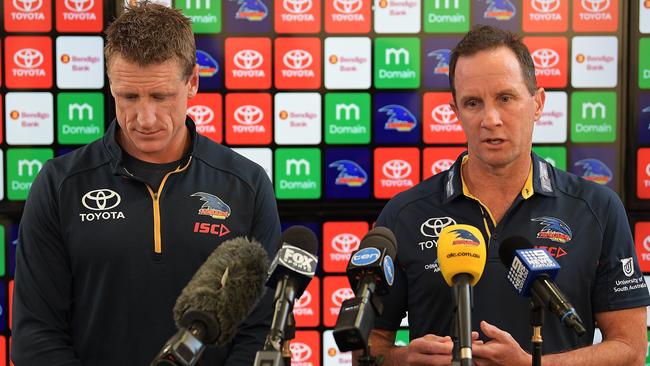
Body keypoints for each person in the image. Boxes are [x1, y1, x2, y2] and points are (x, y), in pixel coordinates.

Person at [11, 3, 280, 365]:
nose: (145, 118)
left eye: (160, 96)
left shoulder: (246, 184)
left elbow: (261, 330)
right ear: (111, 86)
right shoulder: (60, 184)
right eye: (129, 97)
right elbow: (35, 337)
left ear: (193, 83)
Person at [367, 25, 650, 366]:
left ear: (538, 102)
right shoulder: (405, 214)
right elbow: (367, 347)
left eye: (505, 97)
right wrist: (403, 360)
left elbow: (631, 348)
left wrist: (534, 364)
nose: (490, 119)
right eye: (473, 103)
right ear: (455, 112)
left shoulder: (597, 208)